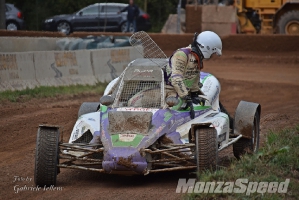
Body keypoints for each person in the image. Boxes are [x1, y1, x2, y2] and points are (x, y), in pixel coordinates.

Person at [164, 31, 222, 105]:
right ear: (207, 47)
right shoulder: (182, 55)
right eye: (213, 52)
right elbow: (176, 78)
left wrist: (194, 93)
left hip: (181, 91)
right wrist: (185, 96)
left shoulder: (196, 57)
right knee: (175, 105)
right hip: (169, 92)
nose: (211, 56)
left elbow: (194, 76)